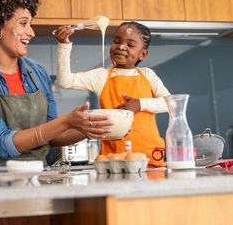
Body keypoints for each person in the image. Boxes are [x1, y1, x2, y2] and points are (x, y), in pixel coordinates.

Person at [0, 0, 112, 167]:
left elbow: (51, 136)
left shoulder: (37, 72)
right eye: (23, 23)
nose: (31, 32)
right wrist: (67, 121)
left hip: (37, 177)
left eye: (30, 23)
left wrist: (92, 126)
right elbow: (3, 144)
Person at [54, 21, 170, 167]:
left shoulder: (148, 75)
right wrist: (64, 45)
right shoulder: (101, 76)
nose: (121, 46)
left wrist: (139, 104)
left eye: (130, 45)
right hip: (113, 159)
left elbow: (170, 103)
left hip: (151, 158)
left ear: (143, 54)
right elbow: (66, 81)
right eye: (116, 41)